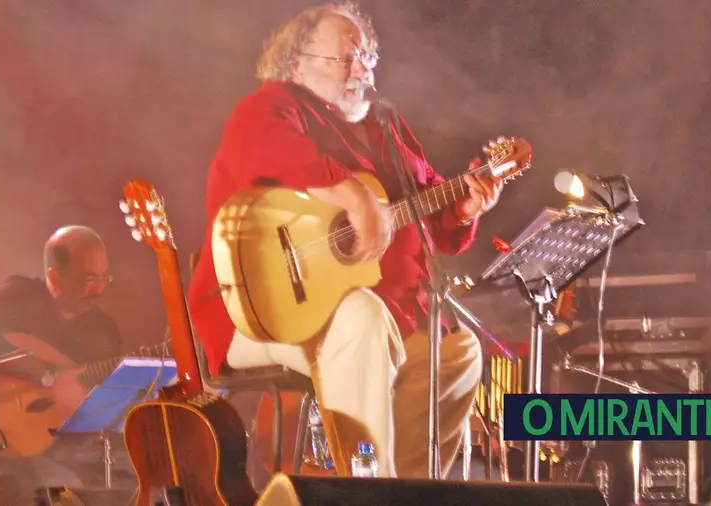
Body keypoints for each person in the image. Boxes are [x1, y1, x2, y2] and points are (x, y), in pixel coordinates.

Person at [188, 2, 522, 479]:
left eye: (366, 57)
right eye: (344, 58)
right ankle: (370, 490)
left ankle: (398, 488)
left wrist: (461, 208)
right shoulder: (271, 105)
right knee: (361, 315)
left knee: (458, 352)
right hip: (259, 310)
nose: (360, 69)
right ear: (296, 64)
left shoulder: (386, 126)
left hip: (391, 318)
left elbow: (424, 208)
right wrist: (350, 193)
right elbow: (263, 149)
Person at [0, 225, 126, 505]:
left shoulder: (104, 329)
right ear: (54, 276)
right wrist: (47, 376)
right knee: (62, 488)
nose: (99, 290)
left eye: (104, 278)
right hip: (10, 446)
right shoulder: (21, 296)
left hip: (80, 446)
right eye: (89, 279)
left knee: (141, 477)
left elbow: (104, 408)